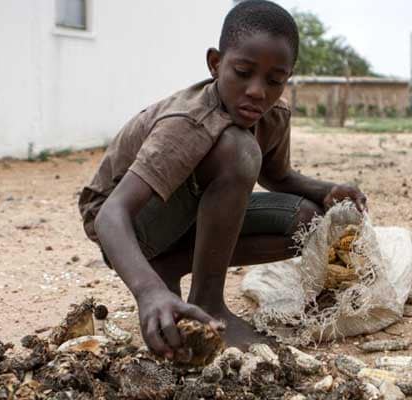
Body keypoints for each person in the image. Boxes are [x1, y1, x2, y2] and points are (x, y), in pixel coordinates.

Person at [78, 0, 366, 359]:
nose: (258, 91)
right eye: (243, 72)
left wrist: (327, 191)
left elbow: (277, 176)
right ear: (216, 64)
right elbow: (111, 214)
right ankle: (208, 302)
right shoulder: (188, 122)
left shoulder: (272, 114)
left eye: (274, 80)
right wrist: (147, 291)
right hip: (130, 225)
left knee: (308, 222)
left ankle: (170, 265)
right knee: (237, 149)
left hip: (183, 213)